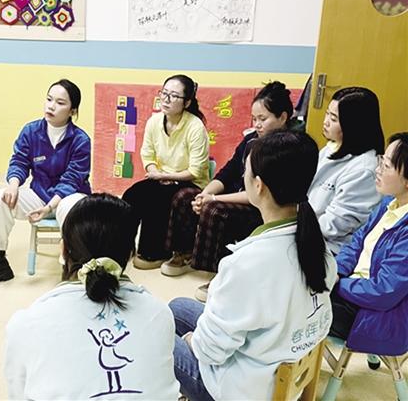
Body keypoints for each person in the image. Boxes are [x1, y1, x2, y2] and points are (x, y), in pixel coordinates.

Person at [169, 130, 337, 401]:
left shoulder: (246, 265)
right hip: (279, 360)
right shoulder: (317, 245)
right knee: (176, 307)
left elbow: (210, 351)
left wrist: (191, 340)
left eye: (245, 172)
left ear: (258, 185)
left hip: (243, 389)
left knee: (157, 334)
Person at [5, 194, 180, 400]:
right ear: (131, 254)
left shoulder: (26, 323)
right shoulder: (159, 313)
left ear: (63, 250)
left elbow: (17, 393)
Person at [164, 81, 294, 302]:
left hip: (259, 207)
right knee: (185, 196)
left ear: (282, 117)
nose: (257, 124)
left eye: (263, 119)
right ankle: (183, 253)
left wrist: (213, 199)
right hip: (235, 195)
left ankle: (220, 273)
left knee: (215, 211)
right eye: (254, 119)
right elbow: (228, 171)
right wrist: (204, 194)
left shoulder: (284, 149)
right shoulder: (250, 140)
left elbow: (257, 193)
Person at [0, 79, 91, 291]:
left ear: (72, 111)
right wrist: (13, 184)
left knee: (70, 207)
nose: (51, 106)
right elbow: (19, 161)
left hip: (69, 198)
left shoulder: (80, 140)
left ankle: (73, 268)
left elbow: (72, 179)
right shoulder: (31, 131)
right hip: (39, 194)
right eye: (49, 99)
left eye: (60, 103)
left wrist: (49, 207)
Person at [329, 132, 408, 354]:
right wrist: (336, 272)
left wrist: (336, 284)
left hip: (376, 317)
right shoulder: (388, 204)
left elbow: (383, 291)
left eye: (387, 166)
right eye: (381, 160)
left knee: (295, 304)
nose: (378, 169)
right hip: (354, 294)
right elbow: (356, 243)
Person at [122, 74, 210, 270]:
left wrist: (164, 176)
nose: (166, 99)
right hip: (161, 177)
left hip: (190, 182)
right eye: (164, 93)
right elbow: (147, 154)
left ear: (187, 102)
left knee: (159, 198)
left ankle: (155, 253)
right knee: (132, 194)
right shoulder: (154, 121)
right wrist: (155, 173)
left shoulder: (195, 127)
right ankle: (125, 246)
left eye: (174, 96)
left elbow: (195, 170)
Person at [309, 87, 384, 253]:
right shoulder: (332, 148)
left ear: (353, 125)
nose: (326, 122)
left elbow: (334, 226)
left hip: (331, 248)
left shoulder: (364, 170)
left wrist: (293, 225)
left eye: (333, 119)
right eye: (327, 114)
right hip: (309, 231)